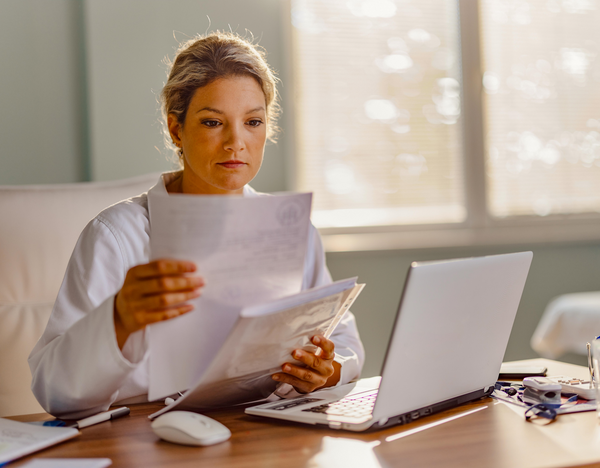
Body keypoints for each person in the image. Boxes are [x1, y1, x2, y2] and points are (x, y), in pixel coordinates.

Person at [28, 31, 364, 419]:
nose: (236, 142)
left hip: (265, 431)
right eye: (212, 122)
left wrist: (327, 369)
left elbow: (343, 341)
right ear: (176, 129)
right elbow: (54, 393)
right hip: (146, 436)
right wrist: (118, 319)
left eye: (253, 121)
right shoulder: (116, 236)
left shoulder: (293, 231)